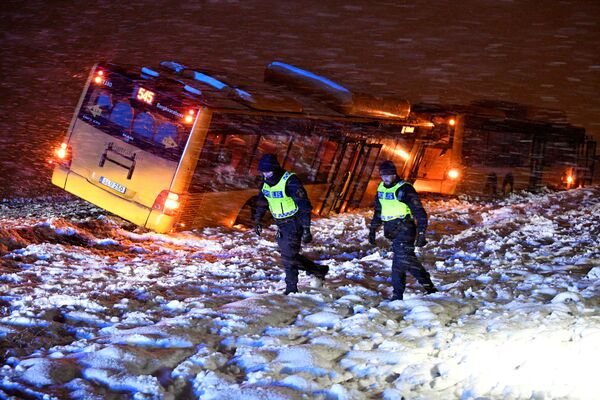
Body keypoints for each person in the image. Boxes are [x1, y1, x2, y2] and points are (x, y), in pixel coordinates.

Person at [253, 153, 328, 294]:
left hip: (294, 223)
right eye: (263, 172)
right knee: (289, 256)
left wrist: (306, 228)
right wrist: (258, 219)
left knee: (288, 258)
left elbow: (304, 206)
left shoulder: (290, 181)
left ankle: (291, 288)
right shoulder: (265, 182)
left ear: (275, 169)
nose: (265, 175)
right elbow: (262, 201)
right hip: (281, 224)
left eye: (268, 171)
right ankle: (318, 270)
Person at [369, 160, 437, 301]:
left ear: (395, 174)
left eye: (389, 175)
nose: (386, 178)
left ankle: (397, 296)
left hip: (405, 229)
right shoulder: (381, 188)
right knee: (408, 260)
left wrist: (422, 233)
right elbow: (378, 210)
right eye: (383, 175)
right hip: (391, 230)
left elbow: (420, 213)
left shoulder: (404, 189)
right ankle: (429, 286)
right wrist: (373, 229)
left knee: (398, 263)